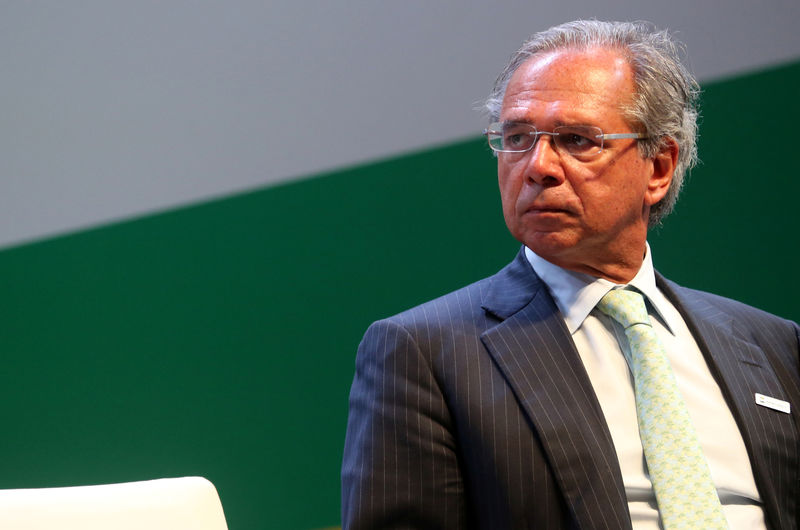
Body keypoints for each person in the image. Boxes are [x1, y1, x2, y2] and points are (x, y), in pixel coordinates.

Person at [341, 20, 800, 529]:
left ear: (659, 167)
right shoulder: (425, 352)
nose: (538, 166)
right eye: (517, 137)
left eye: (578, 139)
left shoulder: (774, 345)